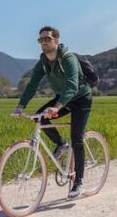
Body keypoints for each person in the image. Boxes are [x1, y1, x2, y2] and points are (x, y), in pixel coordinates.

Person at [14, 26, 93, 199]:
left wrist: (57, 106)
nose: (43, 42)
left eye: (47, 39)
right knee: (41, 117)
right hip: (63, 99)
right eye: (40, 40)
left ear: (56, 41)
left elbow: (72, 86)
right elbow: (32, 85)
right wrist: (20, 106)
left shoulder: (67, 58)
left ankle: (79, 182)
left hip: (80, 99)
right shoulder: (43, 62)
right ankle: (61, 144)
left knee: (77, 138)